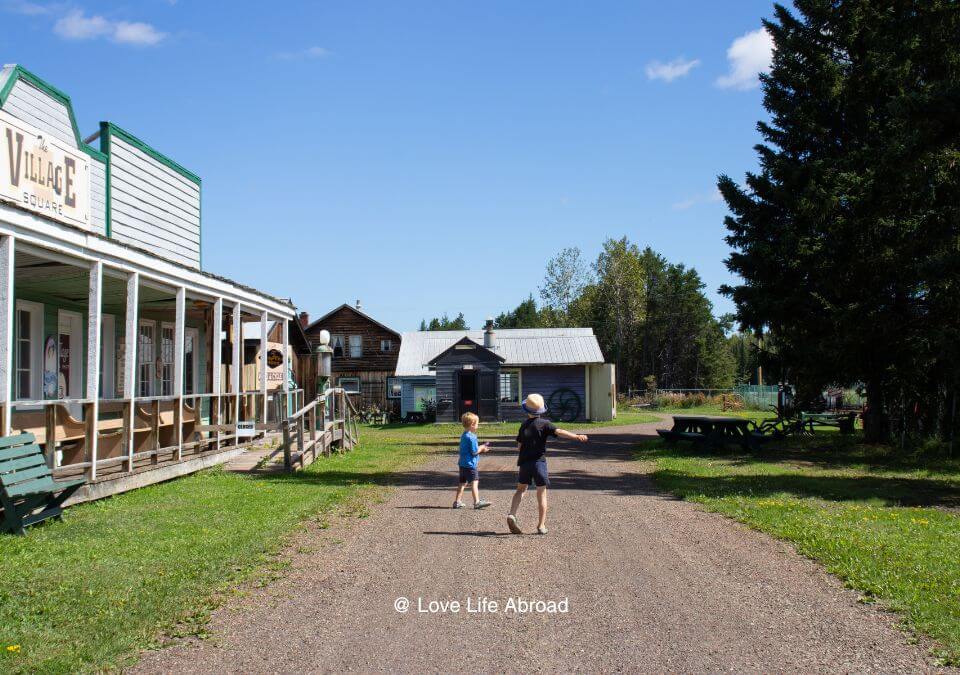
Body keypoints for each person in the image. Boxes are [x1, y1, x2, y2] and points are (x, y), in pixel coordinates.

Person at [507, 393, 587, 535]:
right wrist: (576, 436)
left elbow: (519, 446)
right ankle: (541, 525)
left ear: (526, 410)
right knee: (541, 494)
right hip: (539, 464)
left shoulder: (523, 425)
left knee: (520, 490)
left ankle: (512, 514)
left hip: (525, 463)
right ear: (542, 410)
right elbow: (560, 431)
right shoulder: (545, 424)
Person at [453, 412, 492, 510]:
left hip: (462, 464)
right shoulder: (472, 437)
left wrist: (481, 446)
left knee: (462, 483)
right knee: (474, 482)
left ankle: (457, 502)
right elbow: (474, 452)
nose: (477, 426)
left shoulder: (464, 435)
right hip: (470, 465)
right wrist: (482, 448)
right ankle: (477, 502)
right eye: (477, 424)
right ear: (472, 425)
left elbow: (470, 449)